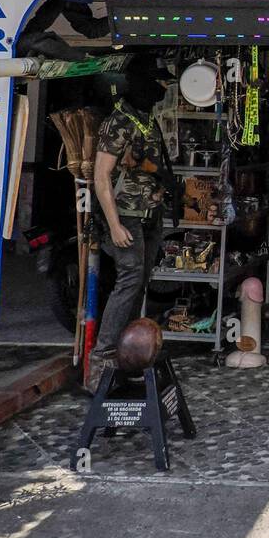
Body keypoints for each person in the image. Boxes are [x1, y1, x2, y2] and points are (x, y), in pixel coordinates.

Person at [89, 62, 172, 391]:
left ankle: (132, 354)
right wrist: (113, 224)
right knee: (129, 279)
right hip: (125, 213)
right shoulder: (119, 121)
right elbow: (101, 176)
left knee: (140, 281)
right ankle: (104, 355)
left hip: (149, 212)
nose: (163, 91)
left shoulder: (147, 118)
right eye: (159, 84)